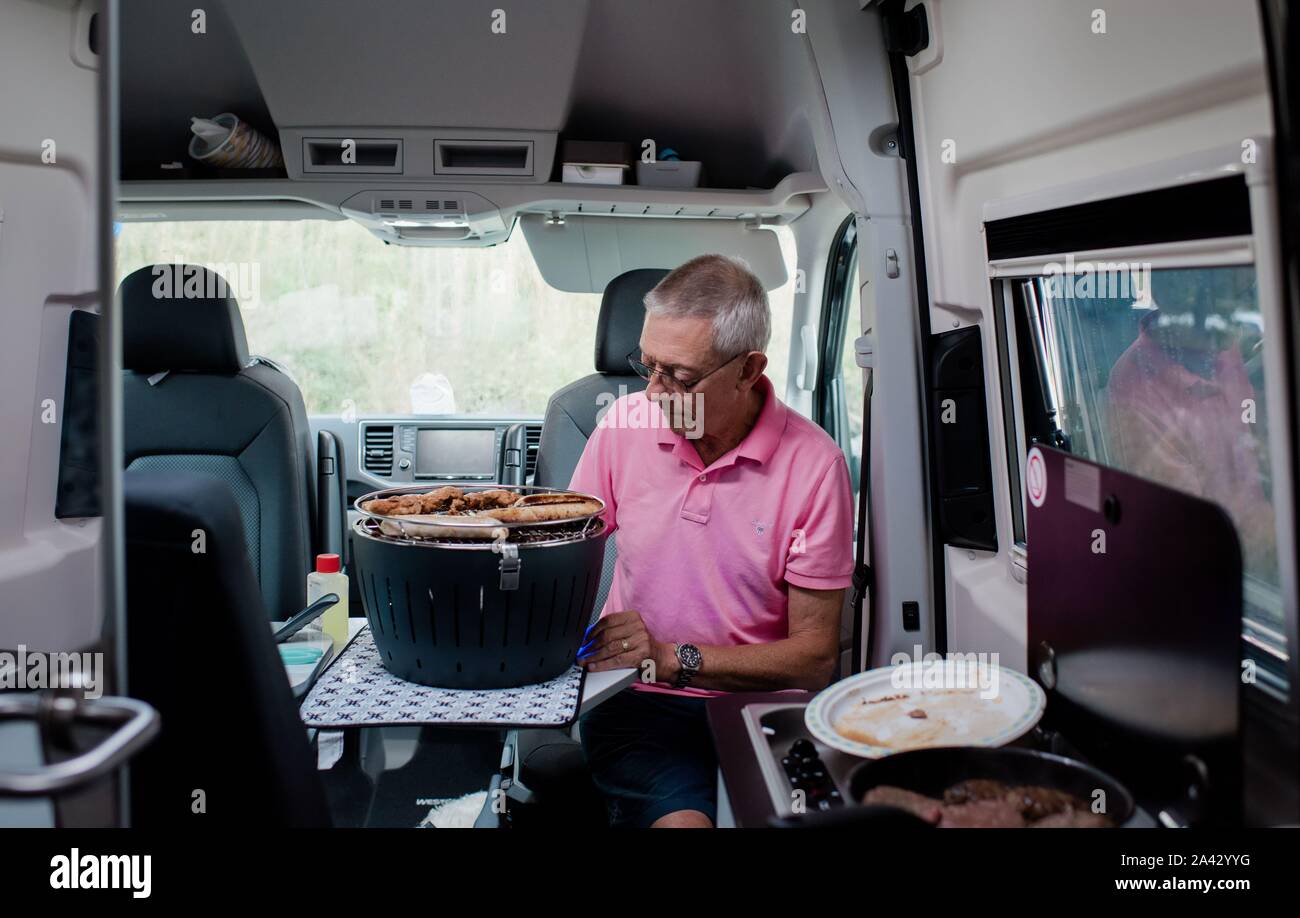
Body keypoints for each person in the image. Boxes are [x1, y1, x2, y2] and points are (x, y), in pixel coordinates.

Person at [571, 254, 855, 828]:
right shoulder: (623, 424)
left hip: (765, 711)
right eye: (647, 365)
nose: (653, 392)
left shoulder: (817, 466)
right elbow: (562, 555)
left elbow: (815, 660)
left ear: (749, 369)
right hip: (640, 703)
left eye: (679, 376)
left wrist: (671, 658)